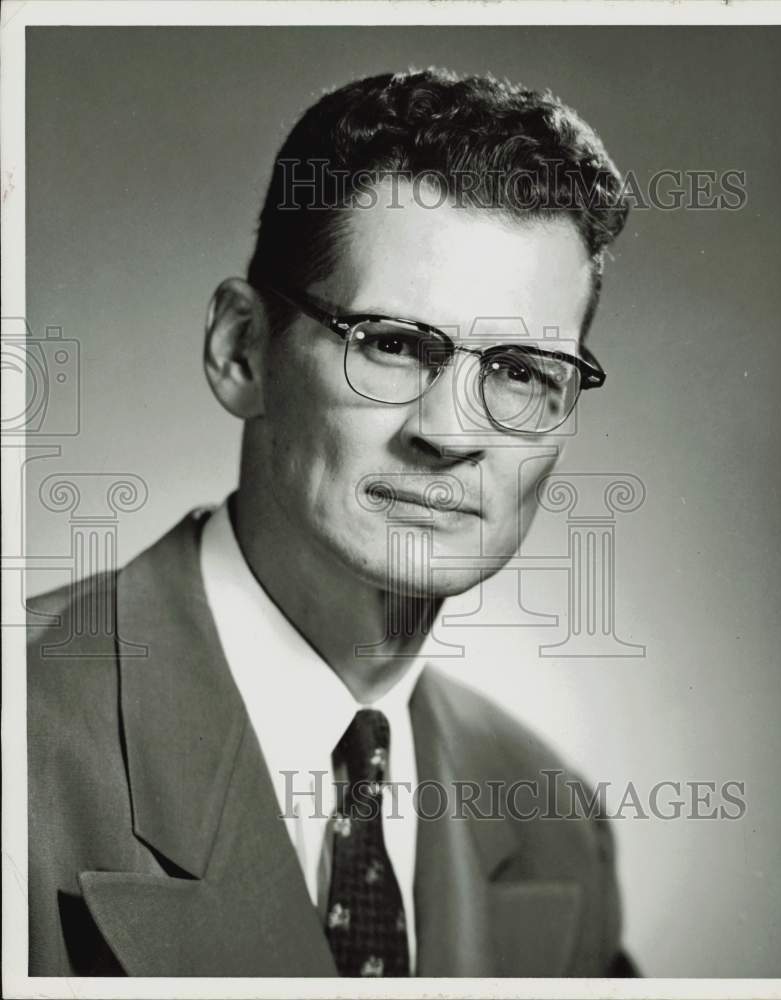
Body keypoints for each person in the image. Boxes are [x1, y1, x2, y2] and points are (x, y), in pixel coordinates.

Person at [27, 68, 636, 977]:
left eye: (518, 371)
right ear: (242, 351)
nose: (450, 433)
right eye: (392, 344)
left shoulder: (555, 825)